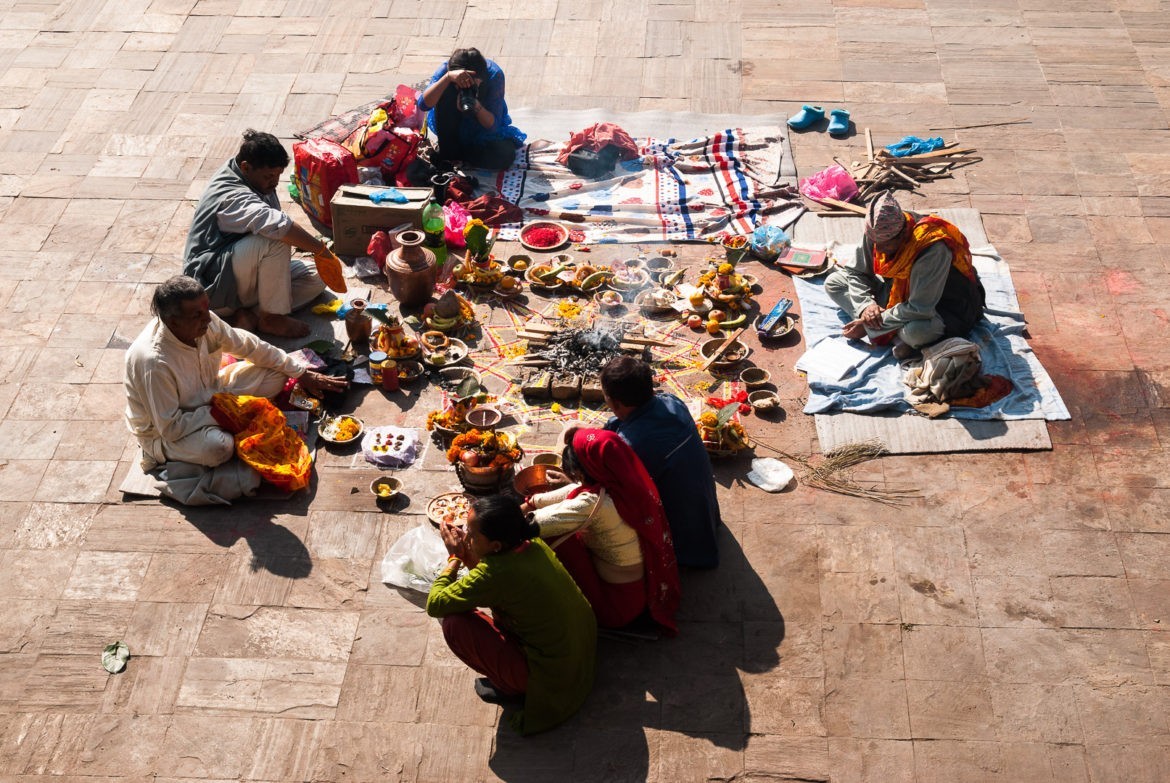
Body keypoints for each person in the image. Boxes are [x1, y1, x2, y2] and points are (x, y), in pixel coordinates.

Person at [124, 275, 346, 476]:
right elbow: (170, 427)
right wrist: (224, 413)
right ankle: (159, 452)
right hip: (170, 430)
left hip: (213, 394)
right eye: (198, 315)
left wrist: (302, 373)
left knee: (277, 373)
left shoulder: (204, 322)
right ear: (173, 322)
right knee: (219, 448)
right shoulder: (154, 363)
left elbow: (251, 347)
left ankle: (228, 421)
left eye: (207, 310)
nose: (208, 320)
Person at [426, 495, 596, 735]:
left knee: (454, 624)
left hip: (552, 678)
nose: (466, 537)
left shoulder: (495, 573)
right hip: (578, 657)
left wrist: (454, 558)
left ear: (496, 545)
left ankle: (511, 686)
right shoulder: (532, 544)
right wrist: (468, 554)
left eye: (472, 535)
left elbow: (435, 604)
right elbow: (499, 580)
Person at [183, 129, 347, 339]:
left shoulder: (251, 175)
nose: (275, 182)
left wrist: (321, 258)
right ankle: (272, 317)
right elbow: (278, 226)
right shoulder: (232, 195)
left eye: (277, 175)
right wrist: (321, 249)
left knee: (317, 275)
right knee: (275, 241)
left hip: (241, 277)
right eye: (269, 176)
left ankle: (249, 316)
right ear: (246, 167)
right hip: (213, 284)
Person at [521, 428, 681, 633]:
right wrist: (532, 502)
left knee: (551, 534)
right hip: (641, 590)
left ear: (582, 472)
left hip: (616, 607)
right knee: (564, 520)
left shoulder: (596, 502)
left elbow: (528, 526)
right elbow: (576, 490)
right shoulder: (626, 481)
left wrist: (502, 520)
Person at [823, 191, 986, 360]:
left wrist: (867, 325)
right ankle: (894, 337)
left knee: (914, 333)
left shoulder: (931, 248)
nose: (878, 250)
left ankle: (893, 335)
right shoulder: (877, 233)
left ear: (901, 235)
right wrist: (866, 307)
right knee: (834, 283)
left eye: (884, 245)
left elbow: (919, 307)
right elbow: (857, 272)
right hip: (898, 293)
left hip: (942, 307)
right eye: (875, 243)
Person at [600, 356, 722, 570]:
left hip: (685, 543)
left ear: (616, 403)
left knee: (607, 505)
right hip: (707, 516)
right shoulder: (672, 402)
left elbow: (616, 486)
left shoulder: (630, 446)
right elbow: (624, 423)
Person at [417, 47, 526, 171]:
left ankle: (455, 154)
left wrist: (476, 106)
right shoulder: (445, 71)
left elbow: (493, 126)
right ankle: (452, 151)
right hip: (451, 125)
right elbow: (423, 105)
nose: (465, 88)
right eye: (461, 85)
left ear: (482, 78)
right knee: (444, 93)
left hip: (481, 129)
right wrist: (447, 78)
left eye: (471, 84)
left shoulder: (494, 75)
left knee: (504, 157)